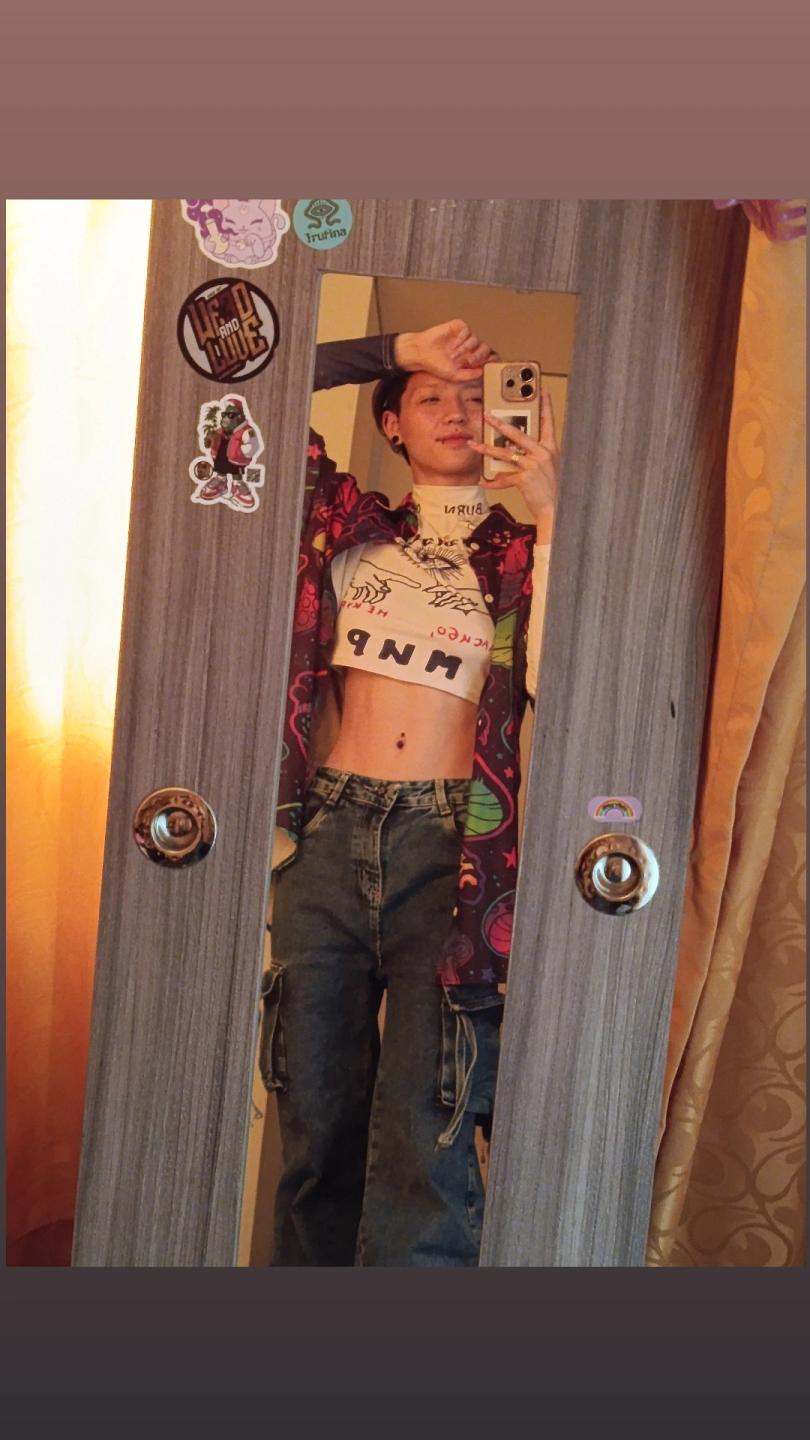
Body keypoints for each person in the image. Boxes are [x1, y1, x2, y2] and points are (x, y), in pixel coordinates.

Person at [260, 320, 559, 1266]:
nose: (458, 411)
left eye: (477, 397)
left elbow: (560, 675)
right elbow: (263, 380)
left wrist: (554, 512)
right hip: (329, 831)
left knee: (427, 1138)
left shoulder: (523, 552)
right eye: (432, 396)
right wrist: (400, 348)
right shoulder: (351, 525)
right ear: (391, 422)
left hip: (453, 849)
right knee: (316, 1130)